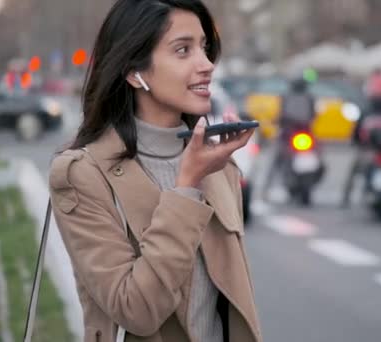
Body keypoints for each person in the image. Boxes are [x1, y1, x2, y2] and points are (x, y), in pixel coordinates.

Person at [48, 1, 261, 341]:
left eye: (205, 48)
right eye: (182, 50)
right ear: (135, 72)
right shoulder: (81, 175)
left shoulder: (221, 167)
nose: (206, 64)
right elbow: (137, 311)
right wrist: (187, 186)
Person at [341, 70, 381, 208]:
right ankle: (346, 196)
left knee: (355, 169)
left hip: (377, 151)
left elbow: (357, 131)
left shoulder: (369, 110)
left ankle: (346, 197)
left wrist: (355, 141)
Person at [261, 76, 316, 201]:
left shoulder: (309, 97)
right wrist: (280, 122)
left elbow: (313, 115)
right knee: (278, 158)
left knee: (317, 154)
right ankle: (266, 189)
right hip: (289, 134)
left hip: (304, 133)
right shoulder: (287, 97)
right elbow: (281, 115)